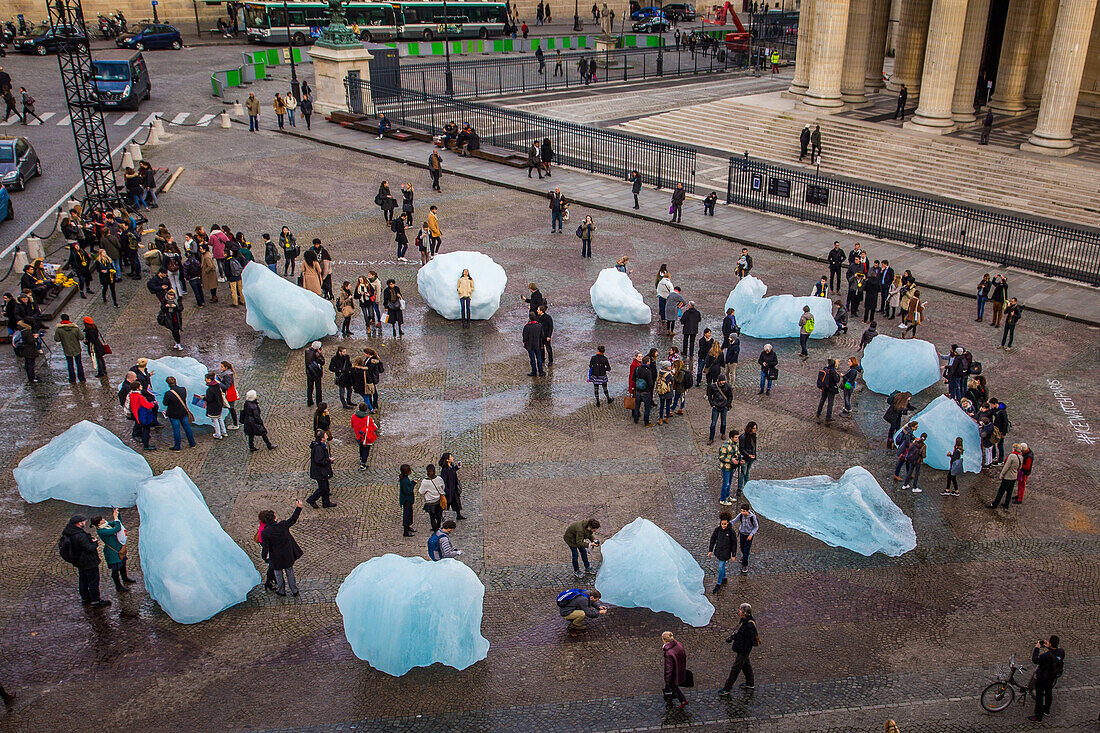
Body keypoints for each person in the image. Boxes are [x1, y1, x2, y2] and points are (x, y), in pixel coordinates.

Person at [59, 515, 110, 607]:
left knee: (83, 580)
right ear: (79, 523)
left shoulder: (69, 532)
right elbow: (89, 548)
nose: (85, 522)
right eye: (83, 521)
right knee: (93, 581)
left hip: (79, 561)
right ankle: (96, 600)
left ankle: (85, 598)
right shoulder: (80, 535)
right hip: (88, 562)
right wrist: (95, 543)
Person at [260, 500, 303, 596]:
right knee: (290, 572)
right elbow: (293, 519)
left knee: (278, 574)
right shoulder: (283, 525)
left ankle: (281, 590)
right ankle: (294, 590)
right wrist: (298, 507)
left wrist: (264, 557)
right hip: (287, 554)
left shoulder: (265, 532)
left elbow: (266, 547)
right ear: (274, 518)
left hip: (275, 557)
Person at [719, 603, 758, 695]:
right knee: (746, 666)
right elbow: (742, 634)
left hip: (743, 650)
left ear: (744, 613)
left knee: (735, 669)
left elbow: (749, 642)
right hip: (741, 648)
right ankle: (750, 683)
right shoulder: (744, 621)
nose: (739, 611)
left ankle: (727, 689)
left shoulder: (749, 625)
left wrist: (743, 654)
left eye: (740, 610)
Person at [93, 510, 133, 594]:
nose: (103, 519)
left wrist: (117, 514)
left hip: (118, 549)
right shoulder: (102, 531)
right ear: (99, 524)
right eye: (101, 519)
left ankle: (125, 578)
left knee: (123, 565)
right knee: (115, 570)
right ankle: (118, 586)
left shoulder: (106, 526)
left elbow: (118, 523)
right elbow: (117, 528)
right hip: (112, 552)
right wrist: (115, 517)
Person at [1029, 636, 1064, 722]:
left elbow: (1035, 660)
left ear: (1051, 643)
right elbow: (1055, 653)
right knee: (1048, 692)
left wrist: (1037, 648)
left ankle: (1038, 716)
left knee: (1039, 696)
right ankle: (1047, 710)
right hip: (1052, 676)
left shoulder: (1046, 656)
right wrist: (1048, 646)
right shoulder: (1061, 652)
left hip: (1042, 678)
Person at [162, 375, 196, 451]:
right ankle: (192, 443)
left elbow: (165, 403)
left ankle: (177, 446)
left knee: (176, 430)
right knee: (187, 427)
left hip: (173, 414)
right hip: (183, 412)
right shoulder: (183, 389)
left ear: (168, 384)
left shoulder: (168, 393)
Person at [708, 510, 736, 591]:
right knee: (721, 566)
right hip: (719, 551)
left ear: (728, 523)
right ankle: (724, 577)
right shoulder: (717, 530)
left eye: (725, 524)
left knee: (720, 567)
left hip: (726, 552)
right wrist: (710, 550)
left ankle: (718, 583)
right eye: (722, 524)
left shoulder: (731, 531)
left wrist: (733, 555)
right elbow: (713, 539)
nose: (723, 526)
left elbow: (734, 543)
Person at [53, 314, 86, 383]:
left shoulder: (59, 330)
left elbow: (57, 339)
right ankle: (82, 378)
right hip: (76, 348)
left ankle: (72, 378)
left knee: (70, 364)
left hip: (67, 348)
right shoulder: (75, 328)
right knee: (79, 363)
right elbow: (81, 337)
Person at [989, 443, 1022, 509]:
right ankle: (1006, 504)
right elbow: (1019, 467)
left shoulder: (1012, 456)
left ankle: (995, 504)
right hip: (1014, 477)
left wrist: (1002, 474)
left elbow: (1006, 467)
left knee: (1001, 491)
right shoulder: (1021, 457)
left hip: (1008, 477)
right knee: (1009, 491)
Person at [662, 632, 689, 709]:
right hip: (680, 668)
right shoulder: (679, 644)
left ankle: (683, 700)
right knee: (673, 685)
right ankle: (668, 695)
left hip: (674, 673)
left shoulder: (668, 653)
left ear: (664, 640)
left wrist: (667, 679)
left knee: (673, 685)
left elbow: (669, 668)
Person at [731, 504, 758, 574]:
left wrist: (751, 534)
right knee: (742, 548)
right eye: (741, 511)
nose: (742, 512)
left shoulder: (752, 517)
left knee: (746, 550)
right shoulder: (740, 515)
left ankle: (745, 565)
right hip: (742, 534)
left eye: (744, 511)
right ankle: (744, 557)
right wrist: (726, 523)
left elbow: (756, 526)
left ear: (748, 511)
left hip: (749, 536)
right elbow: (734, 521)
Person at [418, 464, 446, 532]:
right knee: (439, 516)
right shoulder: (439, 479)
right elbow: (443, 487)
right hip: (438, 501)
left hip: (430, 502)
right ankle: (439, 527)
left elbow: (421, 492)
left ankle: (435, 530)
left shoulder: (425, 482)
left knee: (432, 517)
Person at [351, 403, 377, 471]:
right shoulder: (368, 418)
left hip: (358, 436)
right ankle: (363, 463)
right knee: (366, 449)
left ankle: (361, 458)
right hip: (366, 437)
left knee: (361, 447)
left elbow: (352, 425)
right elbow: (374, 428)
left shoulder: (353, 416)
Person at [633, 355, 656, 426]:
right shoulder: (648, 371)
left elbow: (633, 379)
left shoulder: (637, 369)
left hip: (638, 391)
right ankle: (646, 422)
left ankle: (636, 419)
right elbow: (650, 383)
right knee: (647, 407)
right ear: (648, 362)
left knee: (637, 406)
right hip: (646, 391)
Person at [816, 357, 841, 422]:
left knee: (822, 400)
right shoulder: (832, 371)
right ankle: (828, 416)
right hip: (831, 389)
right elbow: (837, 380)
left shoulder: (825, 369)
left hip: (824, 388)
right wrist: (838, 375)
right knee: (830, 403)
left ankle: (818, 412)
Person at [523, 313, 545, 377]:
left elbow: (525, 337)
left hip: (530, 345)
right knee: (539, 358)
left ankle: (534, 371)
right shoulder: (539, 325)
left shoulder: (527, 326)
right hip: (537, 344)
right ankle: (541, 371)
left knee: (532, 358)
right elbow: (542, 335)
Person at [305, 341, 324, 406]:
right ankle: (319, 402)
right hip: (316, 373)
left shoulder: (307, 351)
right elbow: (322, 362)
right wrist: (320, 353)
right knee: (318, 388)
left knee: (310, 388)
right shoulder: (317, 354)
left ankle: (309, 401)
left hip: (309, 372)